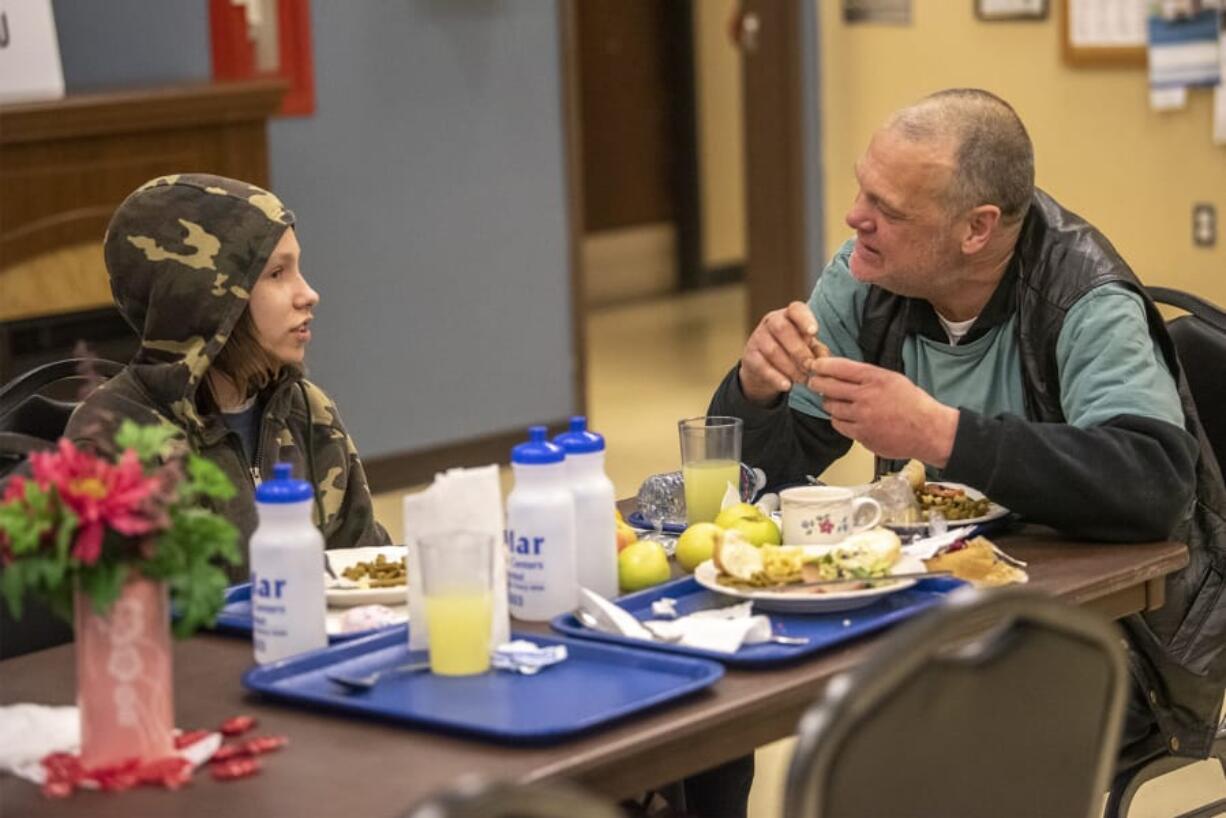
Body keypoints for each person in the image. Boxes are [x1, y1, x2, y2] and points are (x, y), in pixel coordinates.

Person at [710, 89, 1225, 762]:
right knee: (723, 702)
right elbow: (760, 481)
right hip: (933, 613)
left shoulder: (1085, 299)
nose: (854, 218)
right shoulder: (869, 277)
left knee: (906, 752)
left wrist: (941, 434)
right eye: (863, 191)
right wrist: (756, 388)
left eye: (886, 210)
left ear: (976, 229)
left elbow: (1154, 483)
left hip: (1118, 644)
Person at [66, 173, 390, 575]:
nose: (308, 294)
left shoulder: (308, 411)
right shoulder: (112, 435)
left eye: (297, 270)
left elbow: (367, 570)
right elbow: (125, 618)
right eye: (277, 274)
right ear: (209, 300)